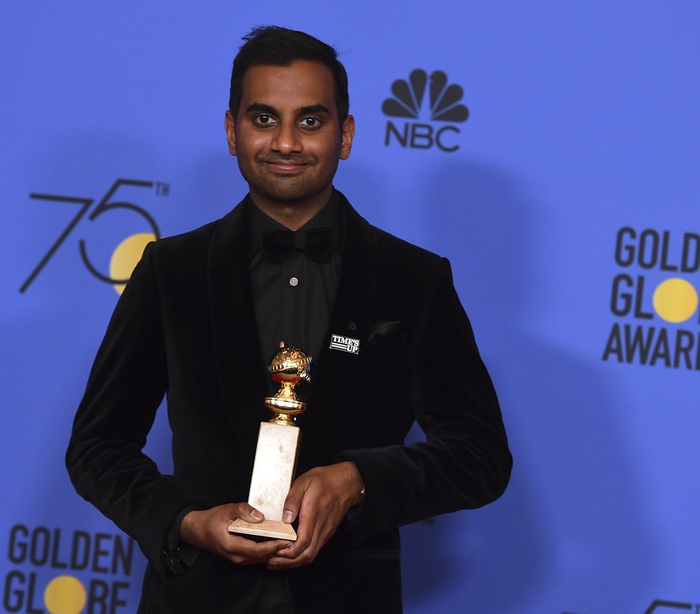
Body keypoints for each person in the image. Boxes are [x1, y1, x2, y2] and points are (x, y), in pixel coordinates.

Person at [66, 25, 512, 614]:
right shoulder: (170, 271)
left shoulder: (414, 280)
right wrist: (189, 523)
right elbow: (98, 446)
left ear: (345, 134)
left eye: (310, 121)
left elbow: (480, 457)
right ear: (231, 131)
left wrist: (357, 479)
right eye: (263, 119)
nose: (285, 143)